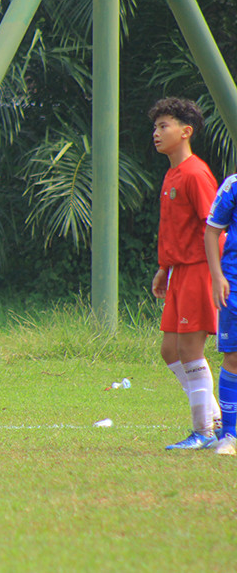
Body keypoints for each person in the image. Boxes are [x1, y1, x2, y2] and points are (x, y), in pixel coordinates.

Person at [149, 97, 222, 450]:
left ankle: (204, 431)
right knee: (170, 350)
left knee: (191, 350)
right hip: (179, 271)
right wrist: (164, 268)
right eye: (156, 126)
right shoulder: (172, 173)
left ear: (185, 131)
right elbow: (175, 228)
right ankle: (215, 418)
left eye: (164, 126)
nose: (157, 133)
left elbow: (216, 226)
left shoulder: (195, 173)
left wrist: (218, 275)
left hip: (199, 270)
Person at [204, 171, 237, 454]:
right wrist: (217, 276)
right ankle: (229, 435)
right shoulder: (233, 185)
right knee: (234, 356)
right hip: (234, 282)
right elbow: (213, 229)